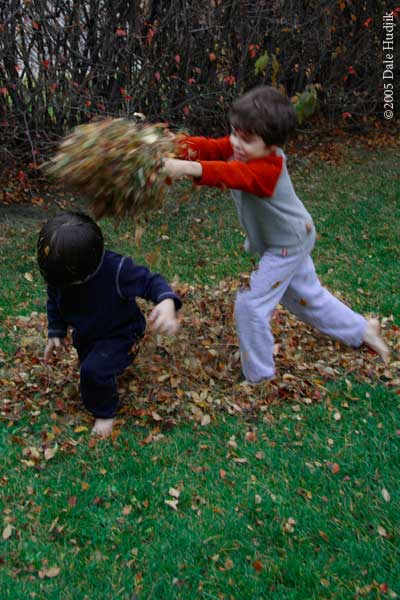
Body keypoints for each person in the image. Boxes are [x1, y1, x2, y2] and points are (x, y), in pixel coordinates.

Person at [163, 85, 389, 383]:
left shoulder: (269, 166)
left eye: (247, 139)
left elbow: (231, 175)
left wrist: (185, 168)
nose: (236, 143)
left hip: (288, 243)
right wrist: (170, 145)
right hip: (289, 237)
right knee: (308, 297)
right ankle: (361, 329)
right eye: (234, 133)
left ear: (272, 144)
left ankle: (260, 378)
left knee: (251, 304)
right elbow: (211, 148)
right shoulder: (242, 147)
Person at [37, 211, 181, 436]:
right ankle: (102, 377)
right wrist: (56, 330)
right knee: (90, 366)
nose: (63, 286)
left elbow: (150, 281)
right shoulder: (61, 274)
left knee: (94, 370)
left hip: (122, 332)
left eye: (69, 282)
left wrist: (166, 301)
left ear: (89, 269)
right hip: (87, 333)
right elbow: (54, 299)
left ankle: (105, 415)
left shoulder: (117, 270)